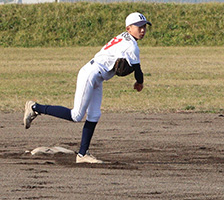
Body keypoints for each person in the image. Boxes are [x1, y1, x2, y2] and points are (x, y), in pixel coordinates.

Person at [23, 12, 151, 163]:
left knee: (94, 114)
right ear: (128, 28)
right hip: (90, 74)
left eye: (144, 27)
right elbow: (138, 70)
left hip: (97, 76)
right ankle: (35, 107)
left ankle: (82, 154)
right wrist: (139, 83)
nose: (142, 30)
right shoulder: (131, 46)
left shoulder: (124, 36)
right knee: (76, 115)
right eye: (139, 27)